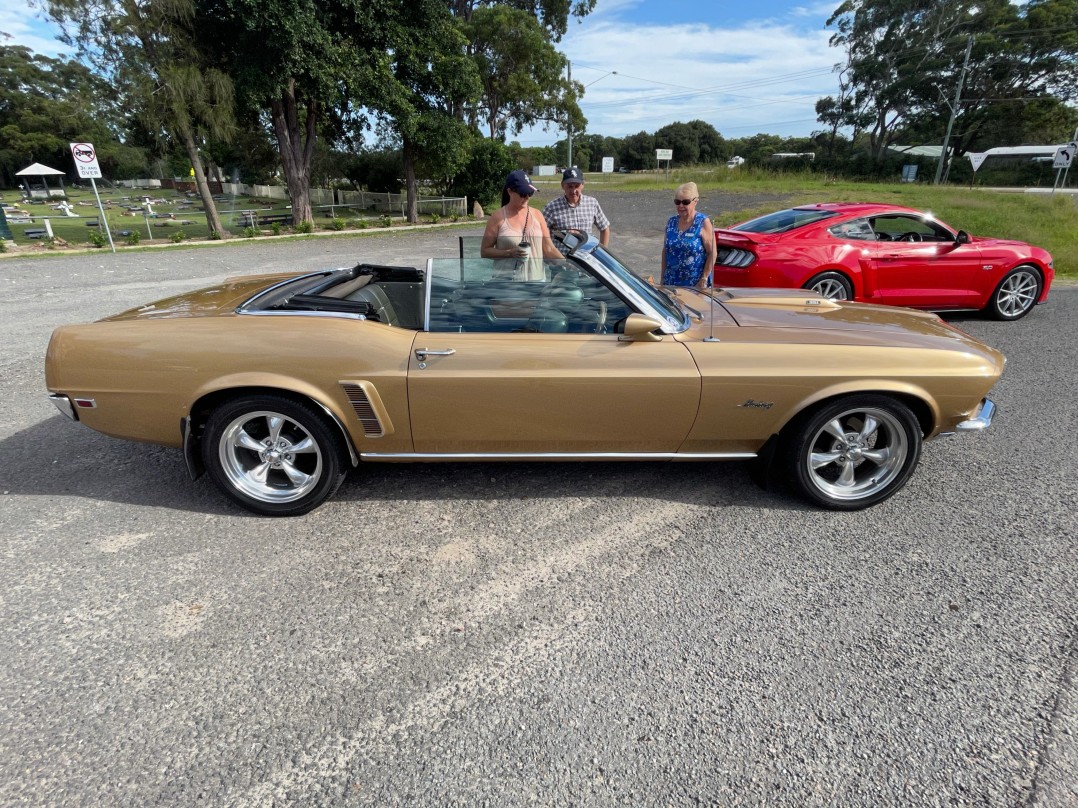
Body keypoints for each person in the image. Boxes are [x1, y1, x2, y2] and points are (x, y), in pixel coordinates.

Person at [480, 170, 562, 280]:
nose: (527, 197)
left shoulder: (538, 215)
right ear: (510, 191)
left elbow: (549, 249)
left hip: (536, 284)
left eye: (530, 193)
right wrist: (509, 253)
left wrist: (569, 264)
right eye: (523, 194)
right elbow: (485, 251)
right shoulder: (497, 217)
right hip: (506, 286)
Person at [660, 182, 716, 289]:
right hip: (671, 282)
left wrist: (704, 278)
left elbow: (712, 253)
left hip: (695, 284)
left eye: (685, 202)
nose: (681, 206)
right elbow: (665, 251)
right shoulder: (671, 222)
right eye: (677, 202)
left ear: (695, 201)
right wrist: (662, 279)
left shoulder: (703, 222)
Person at [542, 167, 610, 250]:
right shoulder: (551, 208)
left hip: (586, 257)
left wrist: (602, 251)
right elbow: (540, 234)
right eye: (570, 186)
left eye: (577, 186)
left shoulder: (592, 203)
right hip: (562, 259)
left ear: (583, 185)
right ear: (562, 185)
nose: (573, 191)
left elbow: (604, 228)